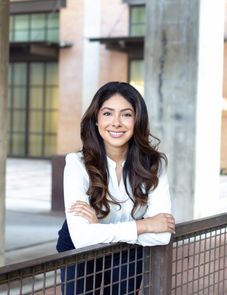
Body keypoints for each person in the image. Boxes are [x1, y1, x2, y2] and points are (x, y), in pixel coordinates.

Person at [56, 81, 175, 295]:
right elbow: (83, 237)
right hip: (80, 251)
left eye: (127, 114)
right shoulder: (76, 164)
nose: (117, 123)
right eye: (108, 114)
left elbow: (163, 234)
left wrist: (98, 228)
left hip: (127, 251)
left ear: (137, 120)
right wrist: (144, 225)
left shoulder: (154, 165)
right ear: (96, 120)